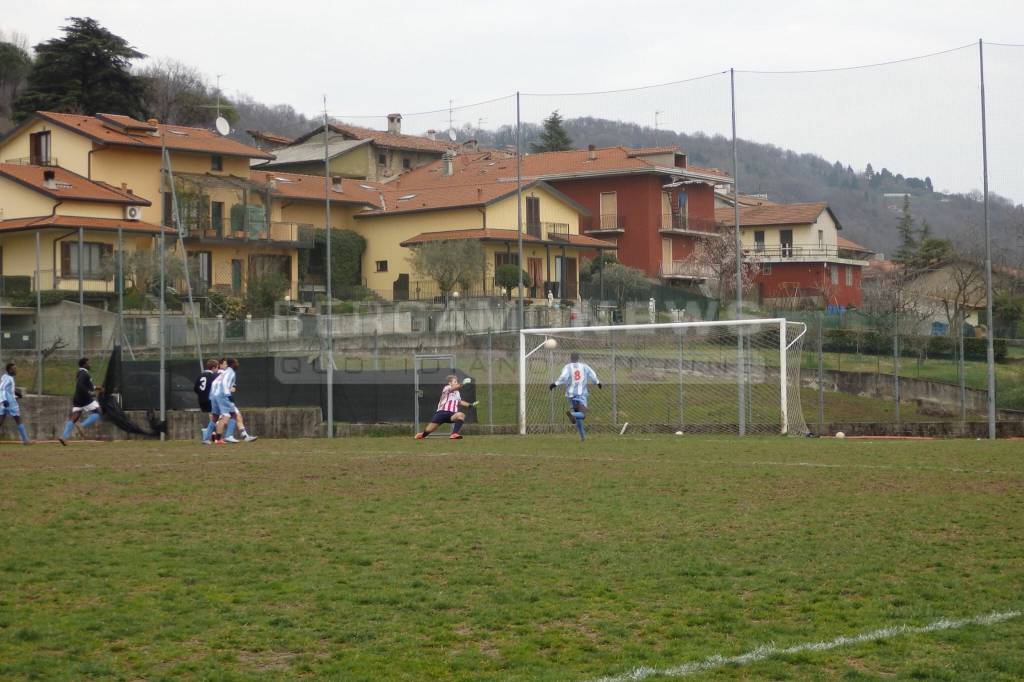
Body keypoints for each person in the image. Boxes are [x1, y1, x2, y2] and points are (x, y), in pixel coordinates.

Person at [550, 352, 601, 441]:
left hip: (570, 395)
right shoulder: (584, 366)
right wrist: (597, 382)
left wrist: (555, 384)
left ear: (571, 358)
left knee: (579, 418)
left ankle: (583, 437)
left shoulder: (567, 367)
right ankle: (571, 414)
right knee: (583, 414)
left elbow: (563, 377)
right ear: (578, 358)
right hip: (581, 395)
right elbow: (592, 374)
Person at [415, 375, 477, 440]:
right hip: (441, 413)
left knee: (461, 415)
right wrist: (462, 384)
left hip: (452, 415)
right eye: (455, 382)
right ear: (450, 383)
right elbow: (453, 388)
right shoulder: (447, 387)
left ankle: (454, 434)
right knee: (427, 432)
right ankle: (422, 435)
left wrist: (470, 405)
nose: (456, 383)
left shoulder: (457, 393)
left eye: (457, 381)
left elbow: (459, 402)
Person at [211, 358, 256, 444]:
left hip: (218, 396)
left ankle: (218, 437)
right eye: (236, 363)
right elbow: (224, 384)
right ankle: (225, 436)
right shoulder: (228, 372)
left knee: (233, 416)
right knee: (229, 416)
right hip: (223, 397)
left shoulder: (225, 373)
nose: (237, 364)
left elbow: (231, 387)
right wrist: (227, 394)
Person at [59, 357, 103, 446]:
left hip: (77, 398)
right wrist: (89, 393)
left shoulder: (80, 373)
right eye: (88, 363)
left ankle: (63, 437)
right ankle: (82, 426)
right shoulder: (84, 374)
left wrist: (98, 388)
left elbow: (87, 385)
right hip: (85, 398)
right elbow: (80, 385)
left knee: (75, 416)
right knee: (98, 412)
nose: (90, 364)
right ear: (84, 364)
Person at [0, 362, 30, 445]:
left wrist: (16, 393)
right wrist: (4, 400)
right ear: (9, 370)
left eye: (16, 368)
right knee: (18, 419)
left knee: (1, 420)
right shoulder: (8, 378)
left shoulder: (6, 377)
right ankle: (26, 441)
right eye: (14, 369)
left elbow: (7, 389)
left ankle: (26, 440)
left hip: (4, 402)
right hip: (10, 402)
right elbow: (1, 389)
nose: (15, 370)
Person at [194, 359, 219, 444]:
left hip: (201, 400)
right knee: (216, 417)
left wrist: (202, 394)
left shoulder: (200, 376)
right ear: (213, 368)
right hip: (210, 400)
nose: (217, 370)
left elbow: (195, 389)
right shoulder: (213, 376)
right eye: (217, 368)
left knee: (213, 417)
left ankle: (213, 436)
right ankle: (207, 438)